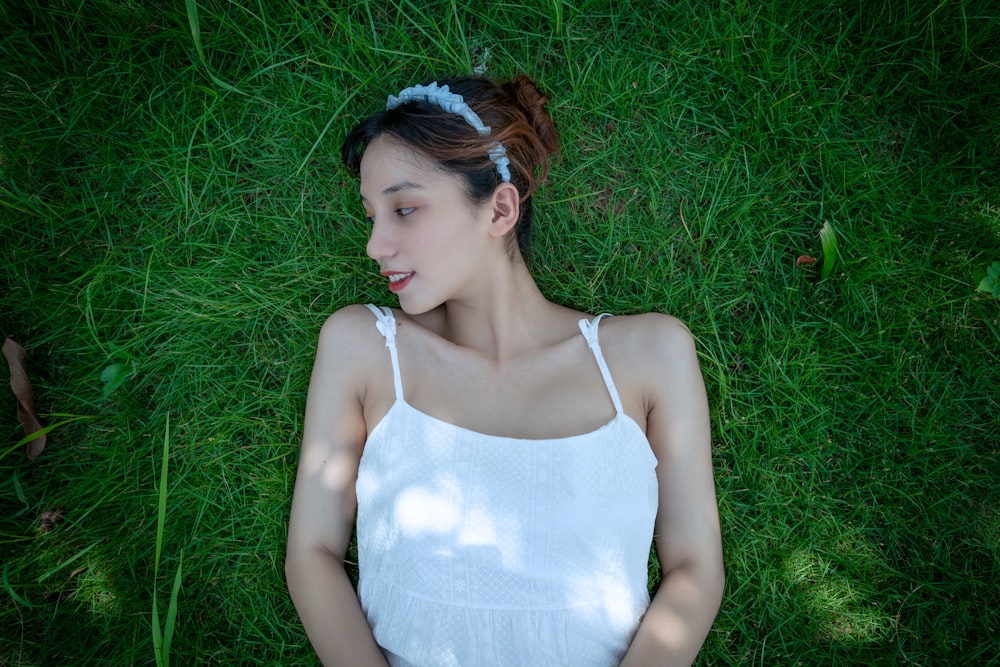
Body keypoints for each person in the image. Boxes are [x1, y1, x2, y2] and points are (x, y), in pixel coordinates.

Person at [285, 73, 724, 667]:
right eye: (371, 216)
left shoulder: (647, 355)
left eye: (404, 209)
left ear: (499, 208)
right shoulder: (365, 346)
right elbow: (311, 551)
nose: (375, 245)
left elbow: (695, 569)